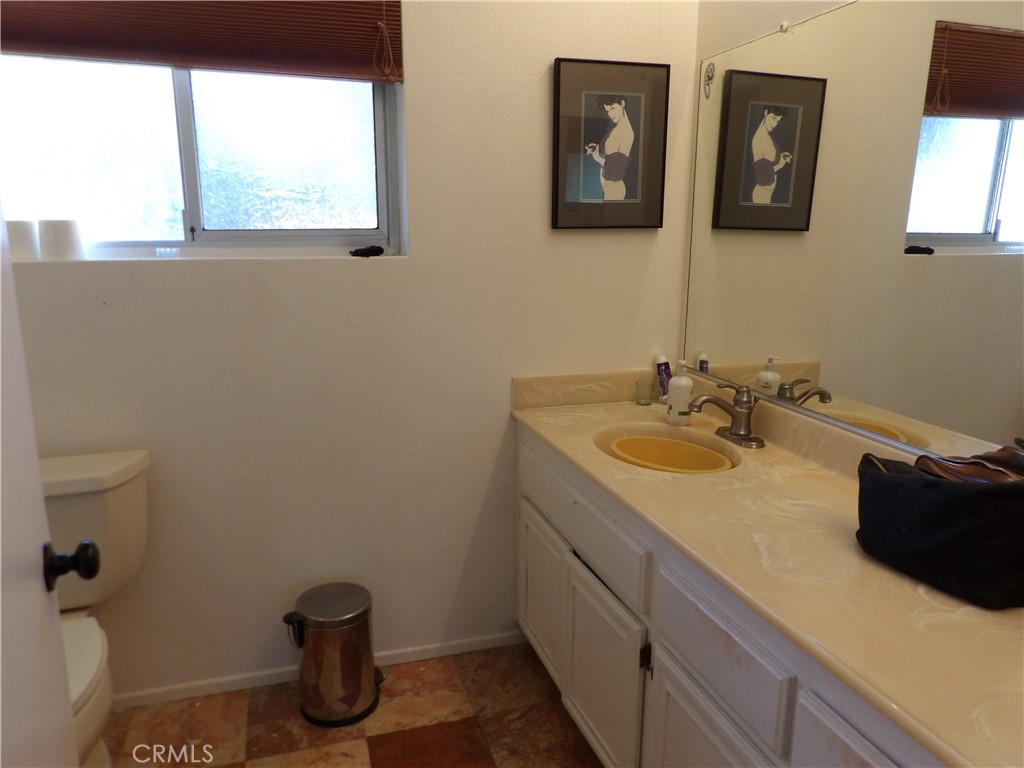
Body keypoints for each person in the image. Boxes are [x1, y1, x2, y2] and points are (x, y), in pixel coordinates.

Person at [585, 94, 635, 201]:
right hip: (607, 186)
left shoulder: (627, 132)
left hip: (614, 189)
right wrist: (596, 149)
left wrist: (597, 157)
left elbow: (617, 169)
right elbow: (610, 154)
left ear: (622, 103)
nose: (610, 114)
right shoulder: (617, 128)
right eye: (608, 111)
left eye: (612, 108)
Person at [750, 105, 793, 204]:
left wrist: (782, 156)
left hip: (767, 192)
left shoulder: (766, 136)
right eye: (773, 118)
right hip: (761, 194)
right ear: (765, 113)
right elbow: (762, 176)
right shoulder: (758, 139)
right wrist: (781, 164)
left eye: (777, 121)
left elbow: (769, 161)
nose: (775, 124)